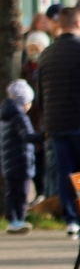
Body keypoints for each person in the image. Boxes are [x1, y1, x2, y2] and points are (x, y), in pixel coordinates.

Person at [33, 7, 80, 237]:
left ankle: (71, 219)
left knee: (65, 174)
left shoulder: (47, 53)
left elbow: (41, 92)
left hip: (56, 124)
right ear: (78, 23)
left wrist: (47, 121)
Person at [0, 80, 40, 233]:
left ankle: (12, 219)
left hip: (8, 161)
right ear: (24, 101)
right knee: (22, 193)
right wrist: (44, 135)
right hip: (21, 160)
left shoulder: (5, 115)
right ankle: (20, 219)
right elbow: (28, 136)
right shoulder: (20, 117)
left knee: (11, 192)